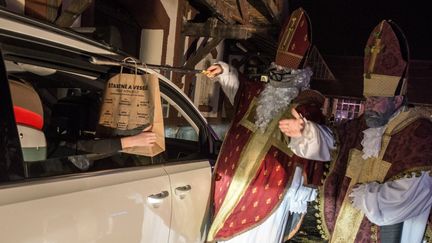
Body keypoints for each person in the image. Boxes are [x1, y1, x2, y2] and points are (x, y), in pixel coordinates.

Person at [204, 8, 335, 243]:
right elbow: (238, 88)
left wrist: (305, 131)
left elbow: (324, 143)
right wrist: (223, 71)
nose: (279, 73)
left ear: (300, 75)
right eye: (278, 69)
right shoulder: (259, 94)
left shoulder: (306, 108)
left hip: (270, 191)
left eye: (286, 72)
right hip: (234, 180)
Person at [308, 20, 432, 243]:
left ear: (397, 99)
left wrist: (368, 196)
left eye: (376, 99)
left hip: (389, 230)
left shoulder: (417, 133)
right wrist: (308, 131)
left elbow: (413, 193)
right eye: (367, 98)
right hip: (346, 229)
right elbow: (333, 145)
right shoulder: (363, 127)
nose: (369, 105)